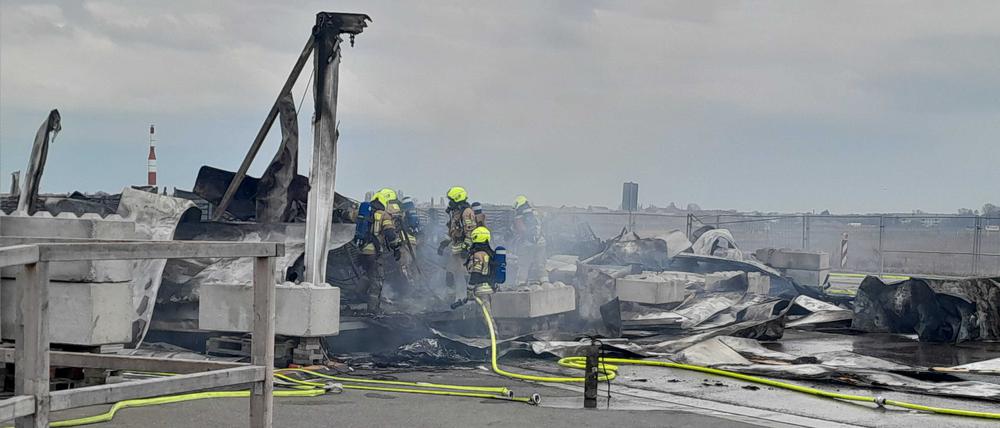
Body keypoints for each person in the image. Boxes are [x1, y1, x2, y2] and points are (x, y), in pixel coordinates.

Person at [356, 188, 402, 313]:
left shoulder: (366, 212)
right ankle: (373, 310)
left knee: (367, 274)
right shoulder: (383, 215)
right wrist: (396, 248)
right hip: (374, 254)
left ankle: (357, 294)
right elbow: (390, 233)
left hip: (362, 252)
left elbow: (352, 218)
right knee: (377, 281)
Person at [443, 186, 477, 300]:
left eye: (451, 200)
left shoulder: (467, 212)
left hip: (464, 249)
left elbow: (470, 231)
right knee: (450, 272)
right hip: (456, 249)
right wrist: (445, 242)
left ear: (457, 199)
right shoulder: (456, 212)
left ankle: (471, 297)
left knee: (466, 273)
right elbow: (454, 231)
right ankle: (451, 297)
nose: (450, 203)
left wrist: (466, 248)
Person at [510, 195, 548, 284]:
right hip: (541, 242)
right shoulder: (536, 212)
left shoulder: (519, 215)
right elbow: (543, 225)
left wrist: (519, 235)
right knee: (541, 264)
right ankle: (545, 283)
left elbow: (521, 229)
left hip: (527, 243)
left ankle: (521, 283)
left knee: (523, 264)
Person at [465, 226, 497, 298]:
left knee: (481, 306)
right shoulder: (491, 254)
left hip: (480, 290)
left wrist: (470, 288)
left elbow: (476, 273)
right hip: (491, 288)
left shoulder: (477, 255)